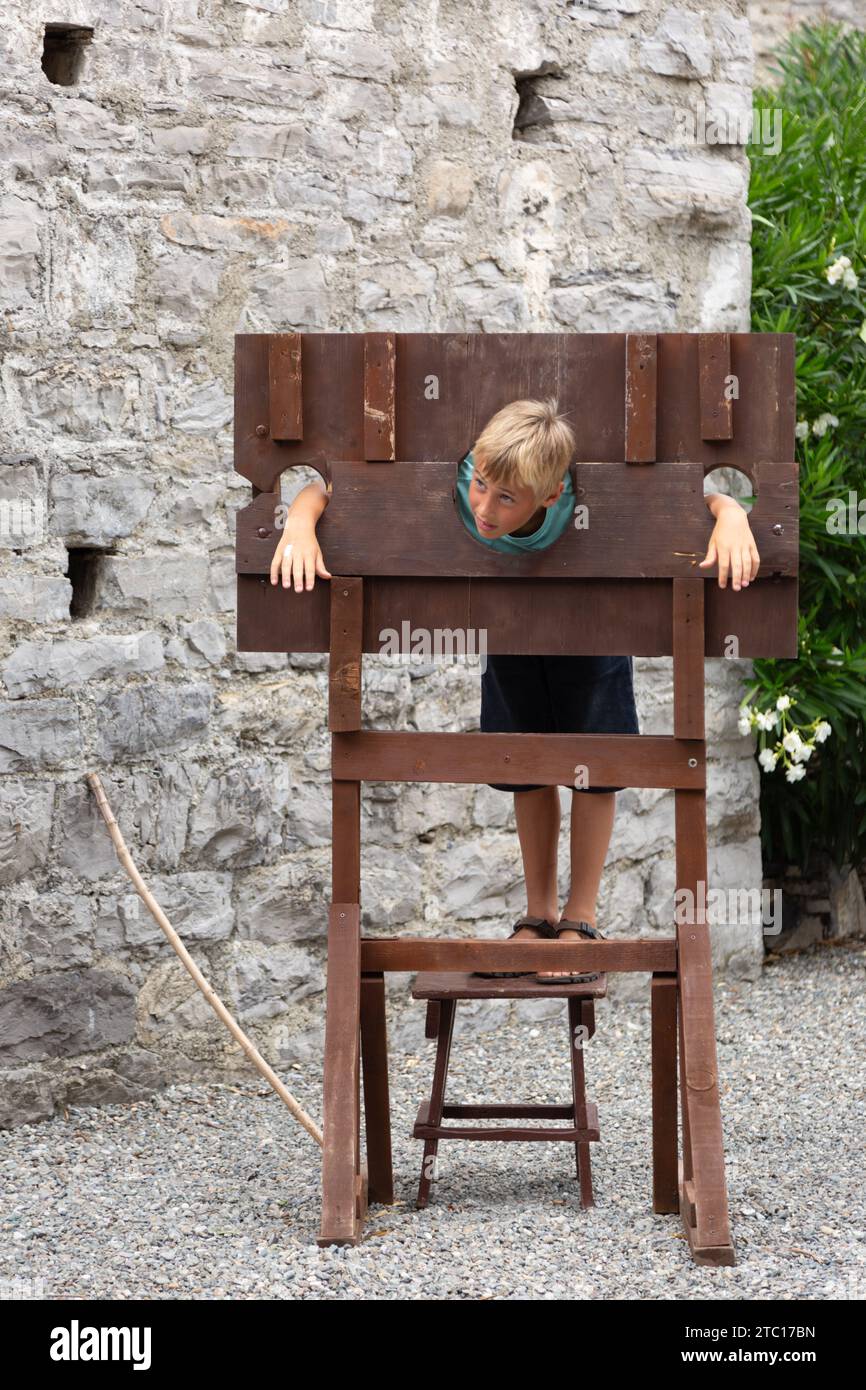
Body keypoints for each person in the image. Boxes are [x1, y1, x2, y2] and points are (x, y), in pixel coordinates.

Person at [269, 397, 761, 984]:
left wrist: (729, 511)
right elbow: (332, 485)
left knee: (596, 763)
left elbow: (687, 494)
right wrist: (300, 518)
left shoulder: (573, 499)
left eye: (506, 498)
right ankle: (538, 913)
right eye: (481, 486)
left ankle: (580, 917)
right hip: (506, 624)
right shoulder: (466, 482)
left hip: (596, 620)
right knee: (521, 763)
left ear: (551, 497)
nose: (484, 506)